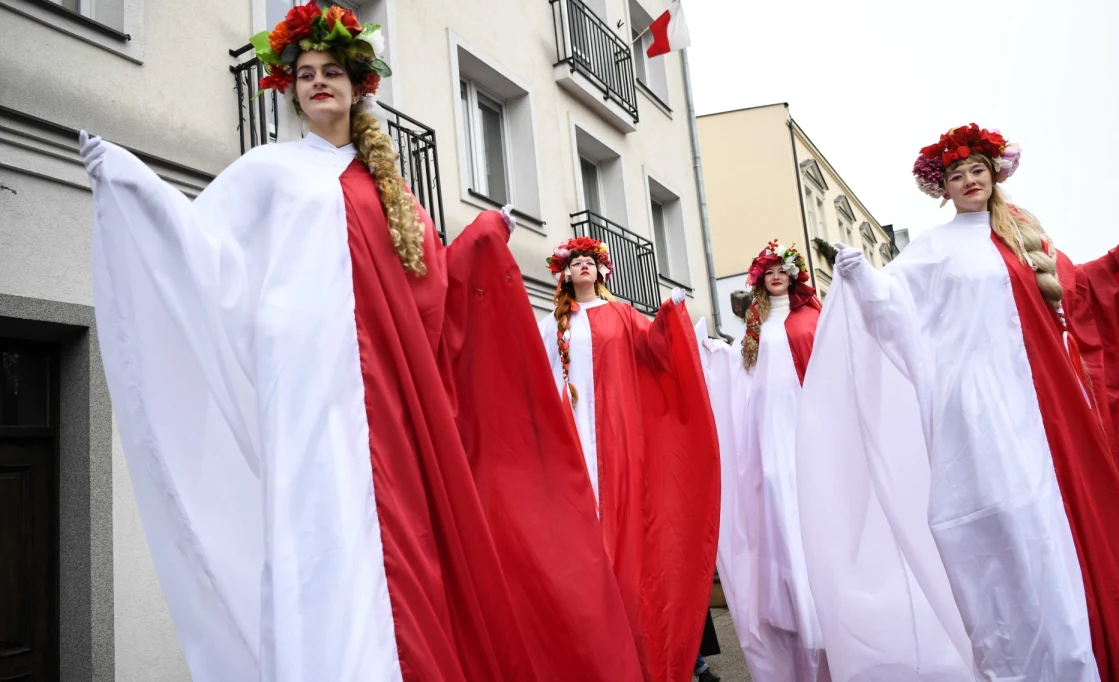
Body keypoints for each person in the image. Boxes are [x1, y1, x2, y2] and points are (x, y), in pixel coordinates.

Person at [78, 3, 640, 680]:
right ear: (290, 87)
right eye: (306, 72)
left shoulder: (391, 191)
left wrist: (485, 237)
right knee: (311, 531)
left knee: (391, 541)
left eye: (333, 71)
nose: (319, 82)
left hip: (382, 404)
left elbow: (432, 294)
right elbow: (205, 248)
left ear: (358, 83)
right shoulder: (268, 169)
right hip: (303, 389)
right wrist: (133, 182)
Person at [794, 123, 1119, 681]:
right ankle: (1012, 658)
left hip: (1040, 408)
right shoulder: (932, 250)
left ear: (992, 175)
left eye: (976, 170)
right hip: (973, 412)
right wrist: (863, 278)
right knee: (995, 528)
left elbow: (1076, 290)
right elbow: (894, 310)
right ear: (944, 188)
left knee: (1047, 527)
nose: (968, 181)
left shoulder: (1021, 238)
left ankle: (1074, 653)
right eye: (957, 175)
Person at [536, 237, 721, 682]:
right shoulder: (551, 325)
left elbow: (657, 346)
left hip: (618, 440)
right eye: (575, 262)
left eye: (589, 262)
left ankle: (640, 648)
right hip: (572, 441)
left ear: (601, 272)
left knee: (625, 538)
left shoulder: (621, 315)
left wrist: (672, 312)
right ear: (564, 274)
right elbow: (537, 376)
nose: (583, 266)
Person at [697, 241, 829, 682]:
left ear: (792, 276)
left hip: (801, 417)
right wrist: (714, 352)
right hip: (766, 423)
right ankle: (790, 601)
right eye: (767, 271)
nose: (775, 276)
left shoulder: (810, 317)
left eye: (781, 270)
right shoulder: (754, 325)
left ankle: (822, 597)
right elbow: (740, 370)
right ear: (759, 279)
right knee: (775, 496)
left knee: (805, 494)